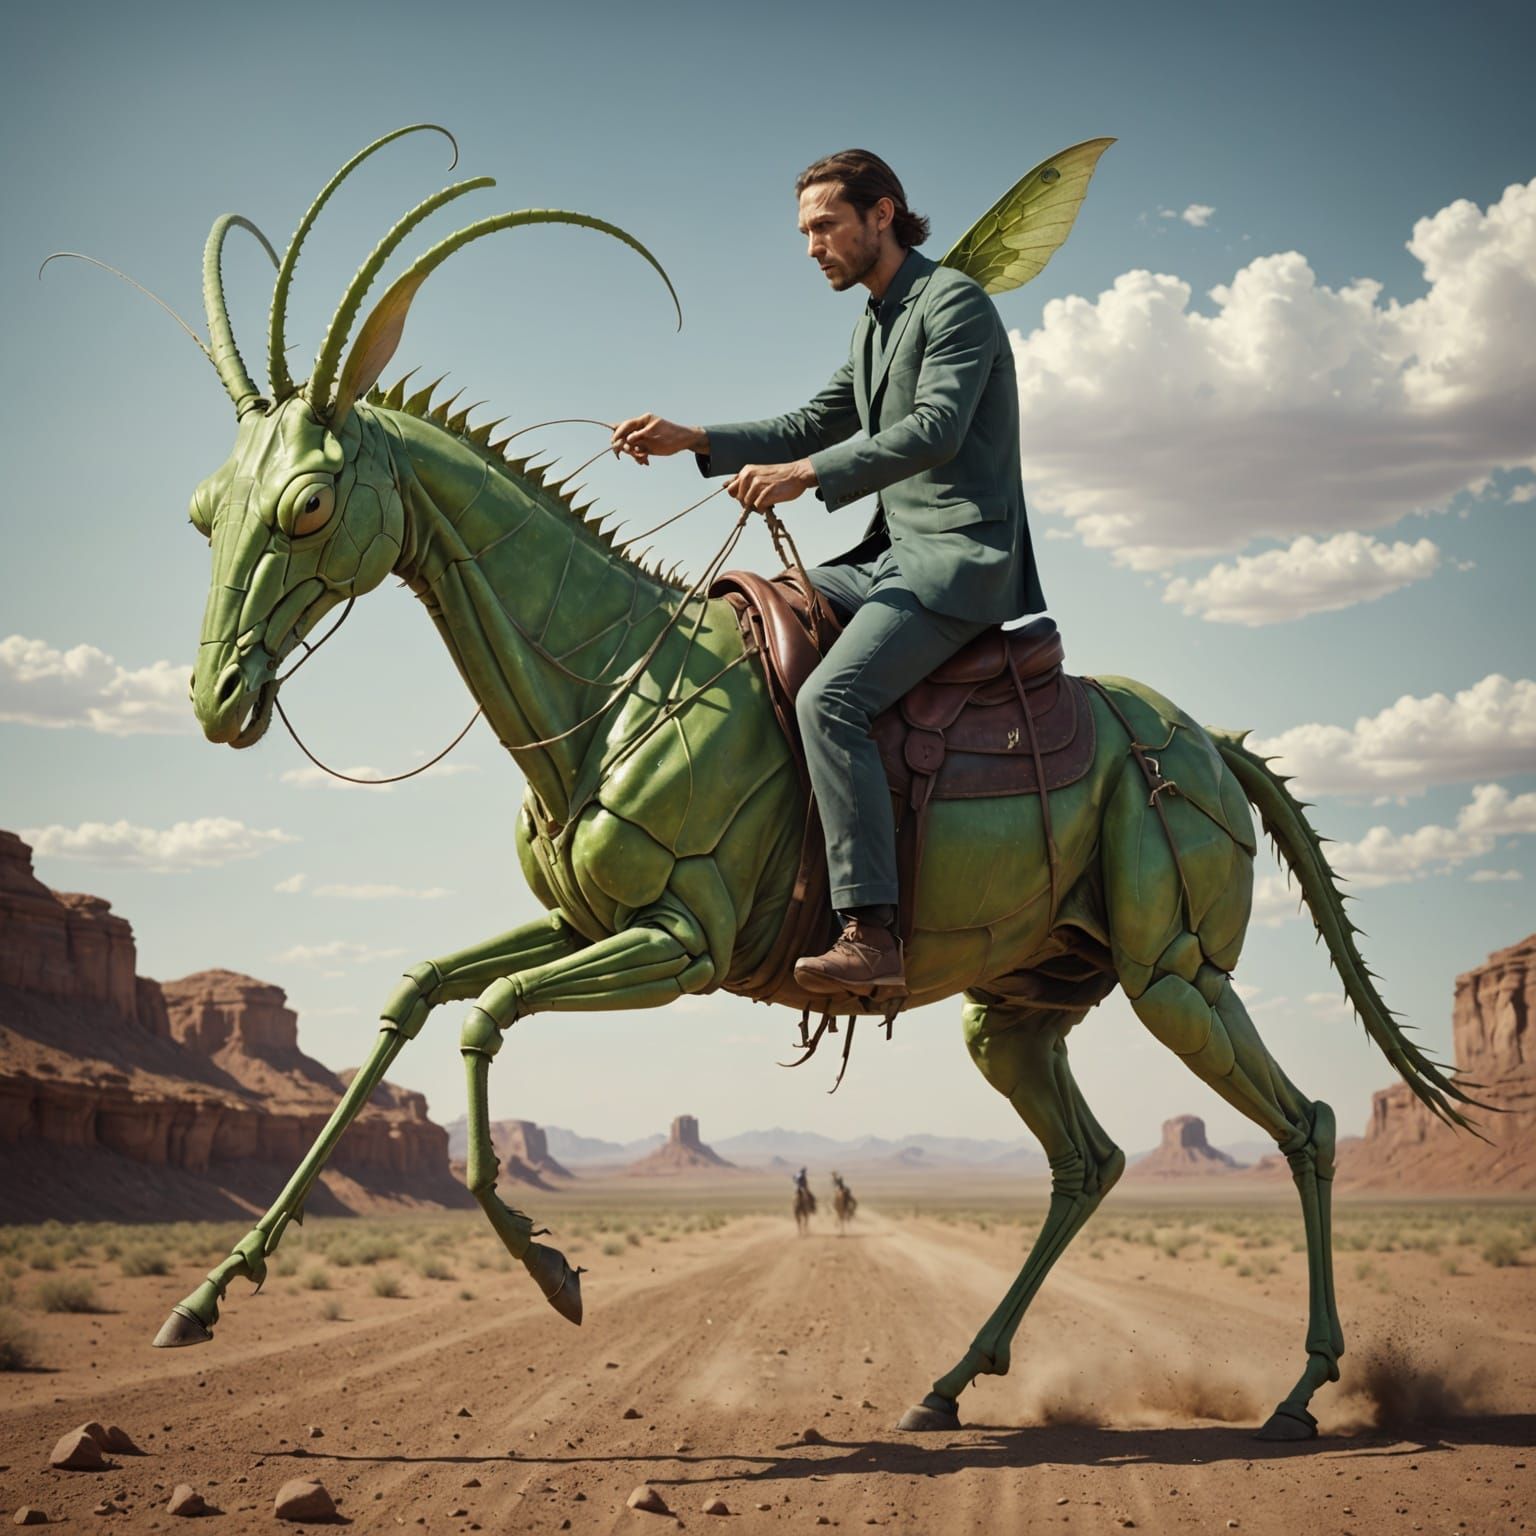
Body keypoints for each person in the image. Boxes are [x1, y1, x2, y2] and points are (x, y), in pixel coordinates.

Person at [611, 150, 1045, 999]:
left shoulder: (953, 301)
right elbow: (814, 417)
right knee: (728, 627)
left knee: (831, 698)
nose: (812, 246)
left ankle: (870, 930)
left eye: (824, 227)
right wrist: (693, 438)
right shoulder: (876, 320)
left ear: (881, 215)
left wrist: (806, 476)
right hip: (885, 558)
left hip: (956, 562)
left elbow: (936, 429)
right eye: (805, 231)